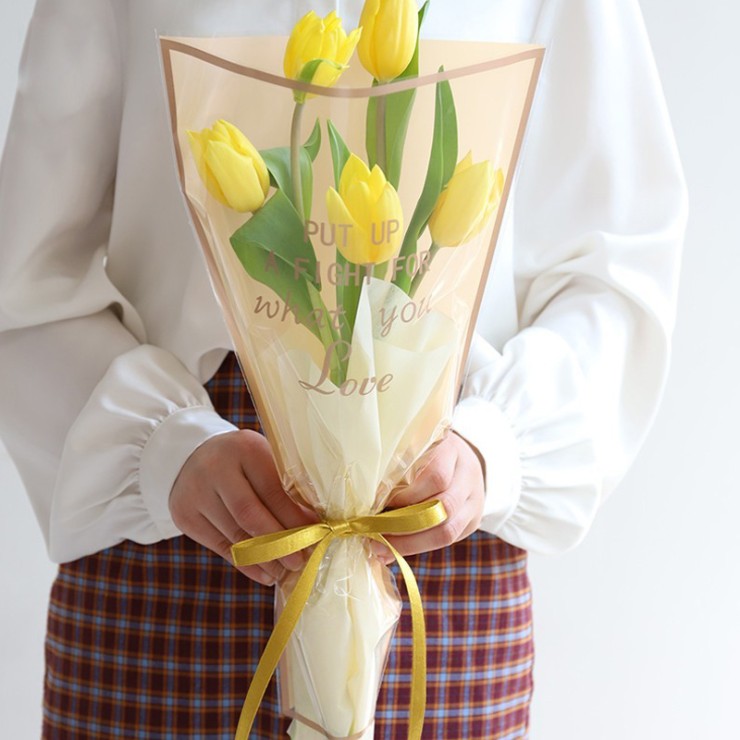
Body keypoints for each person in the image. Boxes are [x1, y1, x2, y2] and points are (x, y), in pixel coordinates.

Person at [0, 0, 686, 738]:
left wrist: (493, 450)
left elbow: (616, 262)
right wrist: (163, 450)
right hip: (178, 532)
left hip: (434, 533)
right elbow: (23, 277)